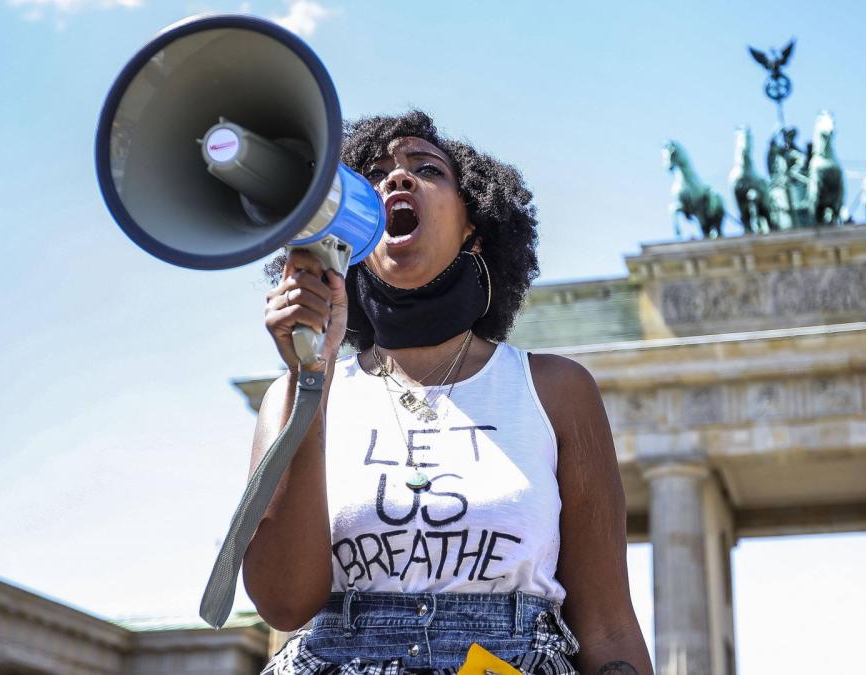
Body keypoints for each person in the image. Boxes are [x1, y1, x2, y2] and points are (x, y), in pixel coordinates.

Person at [246, 110, 652, 675]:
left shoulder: (556, 391)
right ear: (347, 233)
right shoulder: (294, 395)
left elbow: (607, 626)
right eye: (375, 175)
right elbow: (284, 603)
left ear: (474, 227)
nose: (397, 178)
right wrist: (309, 381)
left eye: (426, 169)